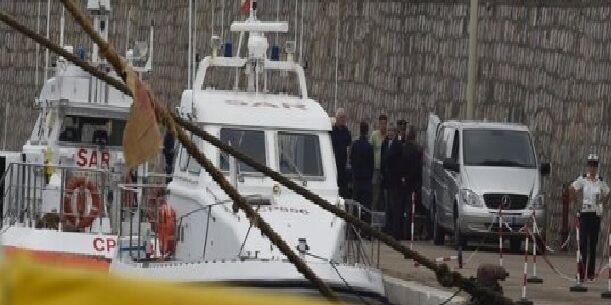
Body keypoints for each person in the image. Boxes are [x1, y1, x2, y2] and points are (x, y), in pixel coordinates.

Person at [569, 154, 610, 281]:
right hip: (585, 214)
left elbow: (608, 192)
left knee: (593, 244)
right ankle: (581, 274)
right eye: (591, 165)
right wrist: (577, 201)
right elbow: (571, 188)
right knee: (583, 244)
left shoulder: (600, 181)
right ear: (588, 166)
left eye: (595, 166)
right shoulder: (583, 179)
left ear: (597, 167)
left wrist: (603, 202)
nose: (592, 168)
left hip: (595, 215)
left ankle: (591, 273)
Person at [401, 125, 423, 240]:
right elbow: (418, 167)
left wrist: (403, 177)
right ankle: (409, 233)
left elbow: (401, 165)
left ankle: (403, 232)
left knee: (403, 208)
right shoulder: (418, 149)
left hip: (403, 182)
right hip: (414, 183)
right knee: (411, 209)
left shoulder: (403, 148)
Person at [381, 124, 403, 238]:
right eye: (388, 131)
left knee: (394, 205)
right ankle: (387, 228)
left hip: (395, 180)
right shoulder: (385, 143)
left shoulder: (398, 145)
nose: (389, 133)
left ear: (394, 133)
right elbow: (382, 158)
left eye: (391, 131)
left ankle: (395, 230)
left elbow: (395, 160)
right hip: (386, 179)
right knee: (387, 205)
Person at [350, 121, 374, 224]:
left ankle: (355, 227)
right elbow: (372, 164)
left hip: (357, 179)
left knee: (356, 205)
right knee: (366, 207)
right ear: (367, 131)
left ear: (360, 130)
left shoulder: (355, 145)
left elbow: (351, 160)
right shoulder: (369, 147)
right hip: (367, 180)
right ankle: (366, 229)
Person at [331, 108, 352, 198]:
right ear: (337, 118)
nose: (343, 119)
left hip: (343, 164)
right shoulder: (331, 131)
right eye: (341, 117)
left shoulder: (347, 131)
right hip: (334, 164)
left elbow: (349, 146)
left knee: (343, 188)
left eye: (344, 117)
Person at [370, 114, 388, 212]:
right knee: (375, 195)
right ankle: (373, 216)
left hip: (385, 170)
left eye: (384, 124)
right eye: (381, 124)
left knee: (384, 196)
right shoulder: (374, 135)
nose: (383, 126)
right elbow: (369, 151)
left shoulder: (388, 137)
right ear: (379, 124)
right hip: (376, 169)